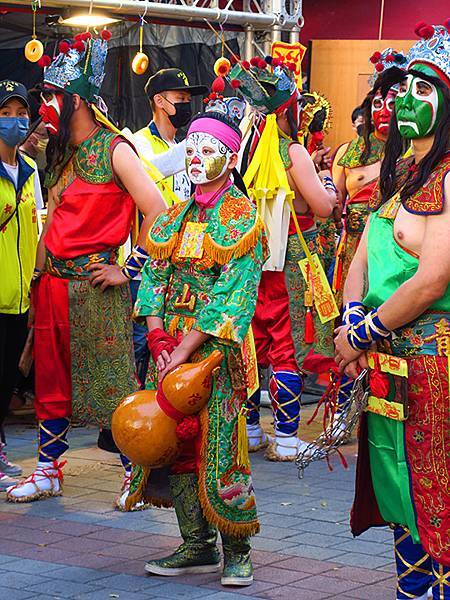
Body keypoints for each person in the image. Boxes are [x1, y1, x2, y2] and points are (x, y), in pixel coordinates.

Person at [6, 33, 165, 503]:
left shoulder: (115, 148)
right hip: (53, 285)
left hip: (96, 288)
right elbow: (51, 220)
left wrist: (129, 270)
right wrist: (36, 280)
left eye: (53, 96)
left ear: (78, 99)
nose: (46, 106)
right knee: (50, 382)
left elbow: (157, 210)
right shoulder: (60, 153)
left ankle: (133, 472)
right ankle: (49, 469)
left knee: (113, 384)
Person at [129, 93, 267, 586]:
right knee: (175, 447)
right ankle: (195, 543)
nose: (195, 155)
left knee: (220, 447)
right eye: (191, 145)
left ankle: (237, 546)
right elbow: (151, 280)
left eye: (209, 147)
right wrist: (158, 338)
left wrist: (184, 349)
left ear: (230, 158)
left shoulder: (241, 219)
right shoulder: (173, 216)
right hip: (168, 351)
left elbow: (233, 298)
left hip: (214, 358)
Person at [335, 21, 450, 600]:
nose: (407, 100)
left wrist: (368, 329)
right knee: (397, 489)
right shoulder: (399, 175)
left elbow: (432, 279)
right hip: (385, 365)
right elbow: (361, 255)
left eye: (424, 90)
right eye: (404, 89)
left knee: (439, 497)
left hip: (434, 367)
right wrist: (350, 320)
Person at [228, 55, 337, 460]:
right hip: (288, 258)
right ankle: (287, 436)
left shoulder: (242, 148)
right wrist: (328, 185)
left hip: (249, 259)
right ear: (288, 110)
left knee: (252, 341)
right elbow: (323, 209)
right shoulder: (292, 152)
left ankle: (252, 430)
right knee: (285, 346)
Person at [130, 69, 207, 385]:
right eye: (181, 99)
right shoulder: (136, 144)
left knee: (173, 340)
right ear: (159, 101)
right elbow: (150, 174)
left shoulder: (181, 145)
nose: (187, 105)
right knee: (141, 342)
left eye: (189, 99)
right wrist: (198, 143)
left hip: (182, 261)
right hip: (146, 261)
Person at [0, 80, 44, 490]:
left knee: (7, 377)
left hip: (20, 293)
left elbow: (38, 227)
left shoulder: (31, 171)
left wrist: (37, 276)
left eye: (20, 114)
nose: (15, 121)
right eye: (6, 114)